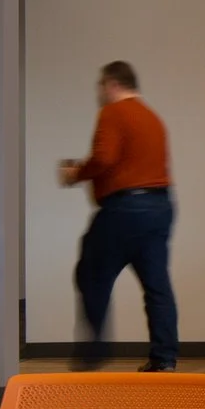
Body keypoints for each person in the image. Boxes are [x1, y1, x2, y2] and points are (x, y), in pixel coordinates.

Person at [59, 60, 179, 372]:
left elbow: (104, 157)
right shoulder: (153, 117)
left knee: (91, 274)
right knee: (157, 285)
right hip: (160, 206)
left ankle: (93, 353)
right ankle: (164, 359)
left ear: (112, 84)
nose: (99, 92)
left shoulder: (113, 112)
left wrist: (76, 173)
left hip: (125, 209)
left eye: (101, 86)